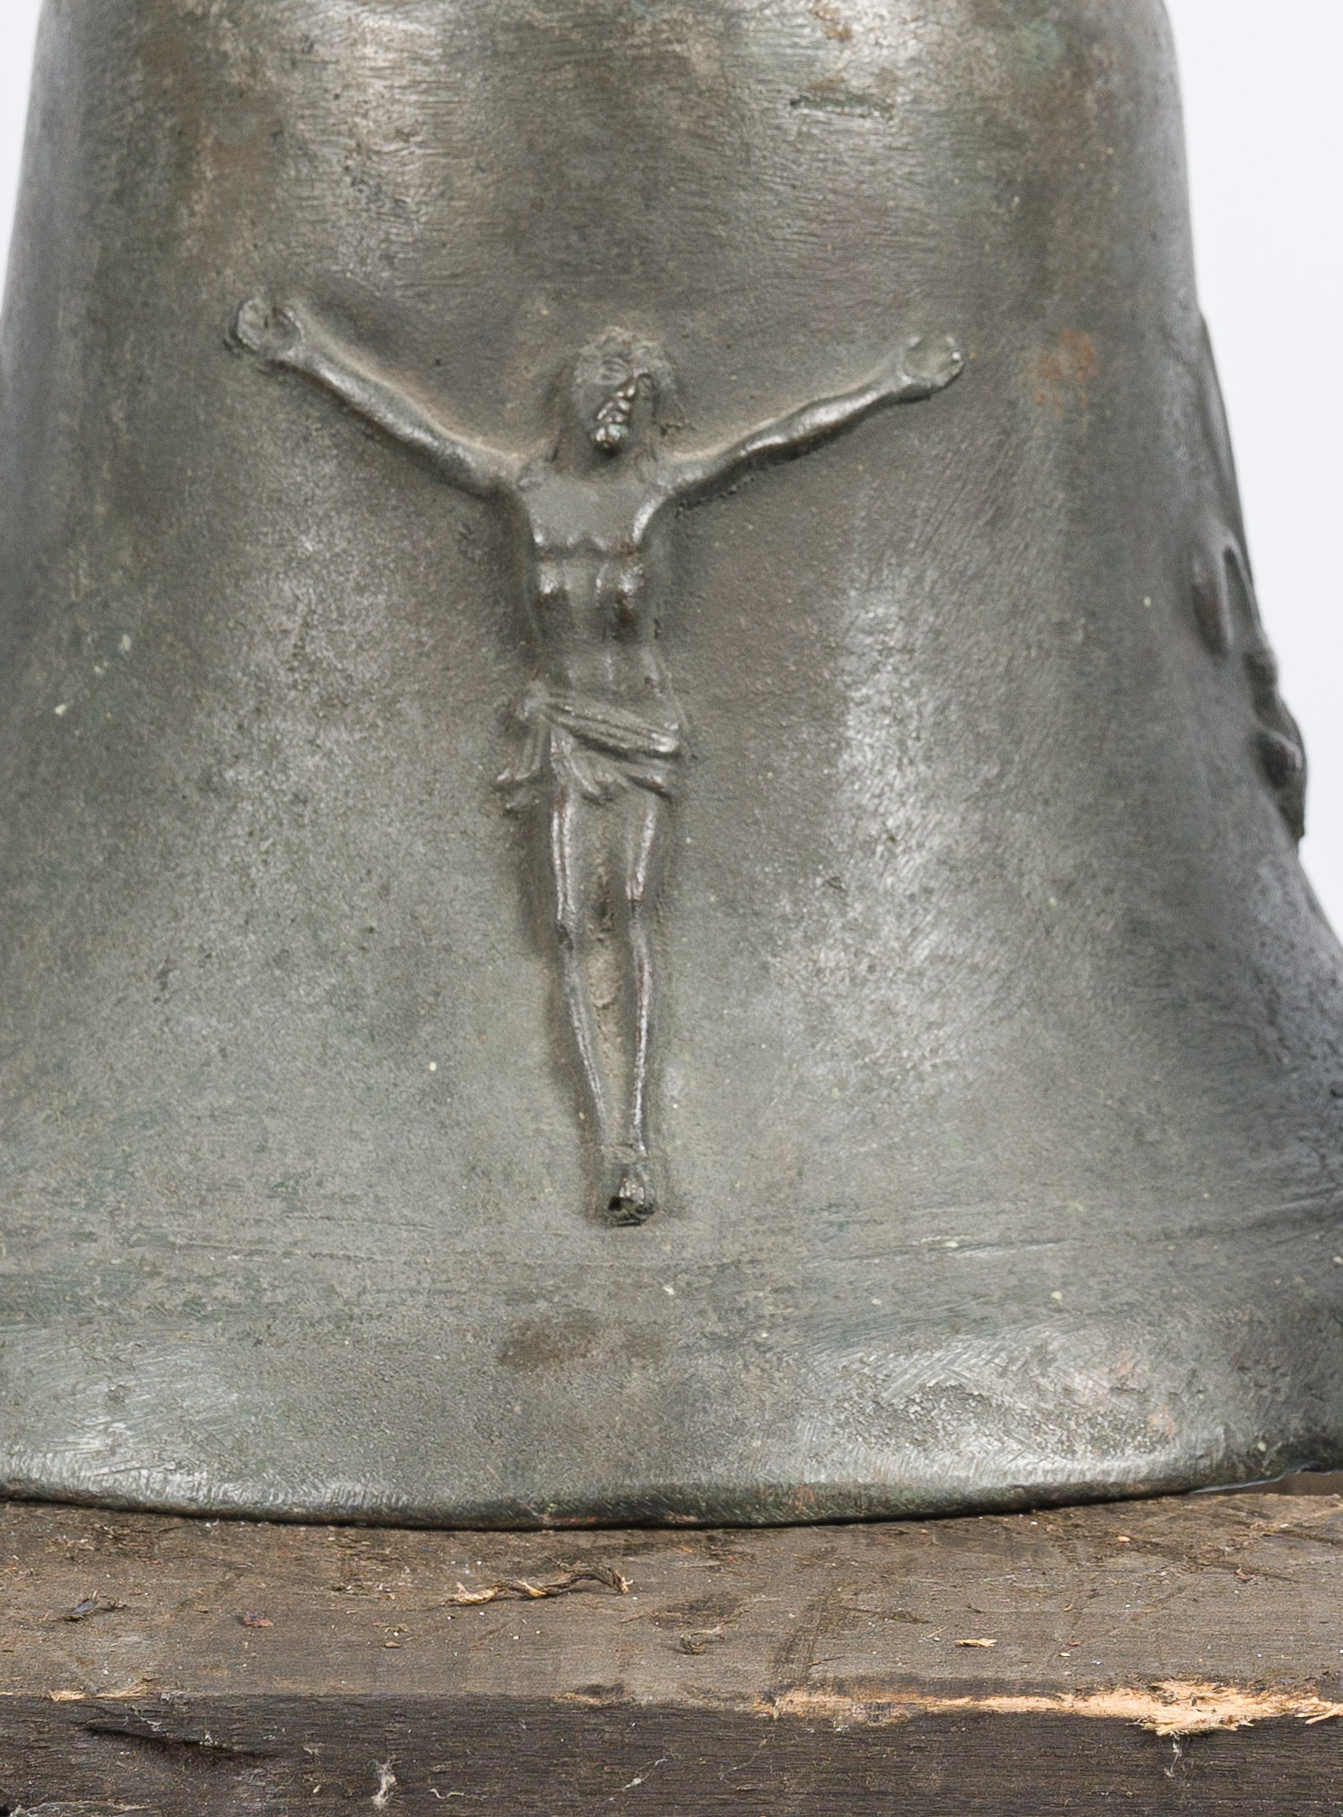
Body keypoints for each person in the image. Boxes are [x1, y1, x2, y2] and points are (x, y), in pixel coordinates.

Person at [234, 293, 963, 1220]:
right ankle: (610, 1142)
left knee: (633, 914)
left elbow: (777, 438)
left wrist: (890, 385)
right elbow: (411, 428)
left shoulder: (657, 491)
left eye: (636, 401)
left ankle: (635, 1137)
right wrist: (309, 357)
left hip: (642, 721)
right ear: (575, 399)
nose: (620, 414)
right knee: (575, 928)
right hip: (569, 723)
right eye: (608, 393)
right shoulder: (524, 487)